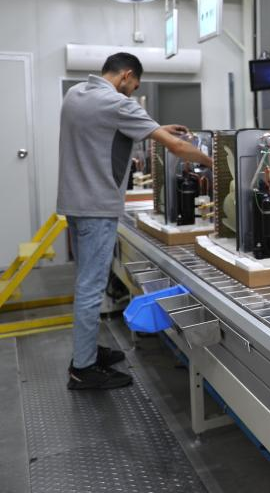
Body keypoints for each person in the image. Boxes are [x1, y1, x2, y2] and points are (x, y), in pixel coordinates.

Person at [57, 53, 213, 390]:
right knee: (91, 288)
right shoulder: (118, 103)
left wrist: (156, 129)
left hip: (75, 205)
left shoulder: (75, 95)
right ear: (126, 75)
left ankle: (86, 351)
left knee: (85, 282)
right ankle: (83, 369)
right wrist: (218, 163)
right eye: (134, 86)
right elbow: (176, 147)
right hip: (98, 208)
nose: (132, 93)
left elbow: (105, 130)